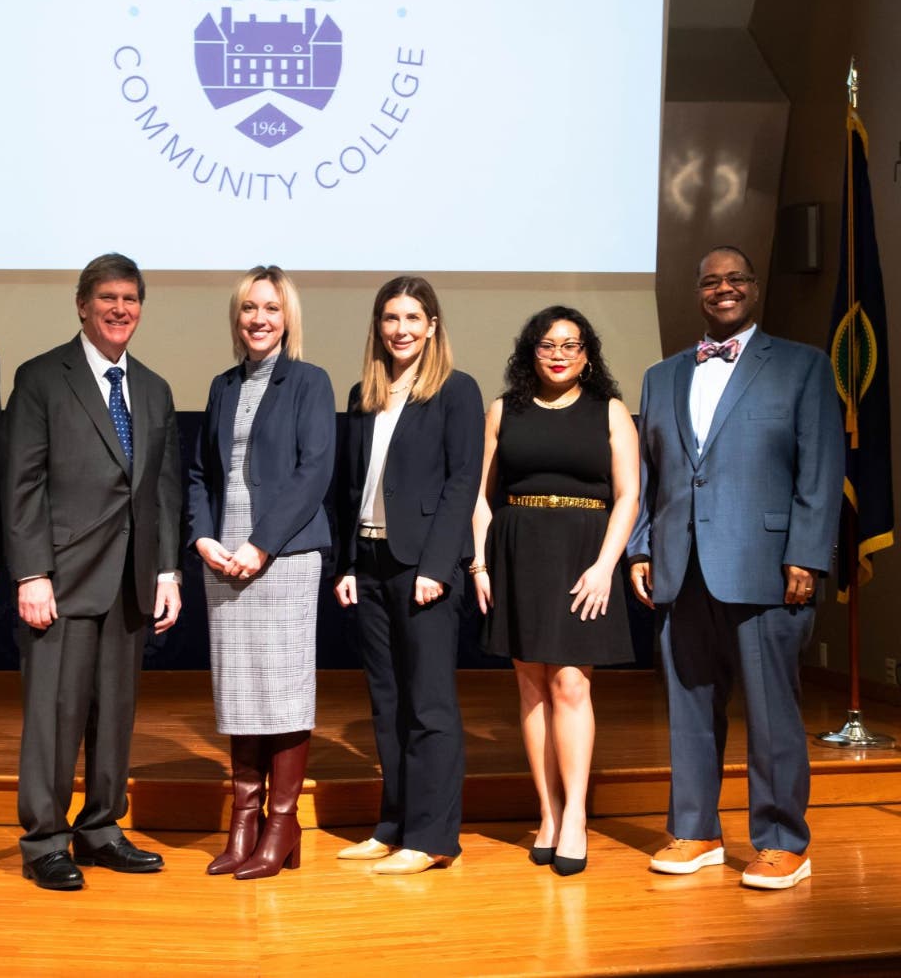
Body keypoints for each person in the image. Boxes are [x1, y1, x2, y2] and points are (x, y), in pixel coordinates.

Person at [629, 246, 843, 890]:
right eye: (711, 281)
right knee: (689, 704)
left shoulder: (803, 366)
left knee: (774, 711)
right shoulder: (661, 375)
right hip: (680, 564)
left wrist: (807, 551)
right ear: (698, 293)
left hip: (768, 566)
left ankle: (782, 841)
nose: (723, 289)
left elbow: (821, 467)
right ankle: (694, 830)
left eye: (736, 279)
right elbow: (652, 472)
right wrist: (642, 544)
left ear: (754, 287)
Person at [1, 253, 182, 891]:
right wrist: (30, 574)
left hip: (131, 583)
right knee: (55, 715)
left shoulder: (155, 389)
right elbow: (19, 486)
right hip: (62, 578)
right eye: (107, 298)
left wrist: (167, 571)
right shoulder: (42, 378)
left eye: (130, 299)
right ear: (82, 304)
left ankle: (101, 827)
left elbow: (162, 492)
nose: (119, 309)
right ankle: (45, 839)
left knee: (116, 715)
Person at [471, 306, 639, 876]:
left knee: (570, 683)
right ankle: (546, 812)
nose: (559, 354)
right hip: (516, 554)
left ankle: (576, 819)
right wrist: (479, 565)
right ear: (530, 353)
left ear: (588, 354)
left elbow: (629, 496)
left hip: (582, 559)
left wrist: (604, 566)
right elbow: (482, 496)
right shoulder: (504, 411)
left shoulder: (610, 411)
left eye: (571, 344)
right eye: (547, 345)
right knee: (531, 686)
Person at [187, 265, 336, 880]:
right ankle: (241, 822)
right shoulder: (223, 386)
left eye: (271, 308)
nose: (259, 319)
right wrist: (201, 537)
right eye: (250, 308)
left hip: (285, 555)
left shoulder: (309, 382)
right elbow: (200, 472)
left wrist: (262, 545)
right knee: (239, 691)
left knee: (282, 689)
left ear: (288, 318)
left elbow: (315, 471)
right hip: (223, 558)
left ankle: (280, 823)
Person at [334, 276, 483, 875]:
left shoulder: (456, 391)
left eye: (412, 318)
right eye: (391, 318)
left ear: (433, 327)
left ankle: (433, 837)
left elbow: (461, 484)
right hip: (368, 563)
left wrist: (438, 566)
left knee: (429, 705)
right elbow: (353, 489)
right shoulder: (362, 393)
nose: (400, 329)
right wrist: (348, 561)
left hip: (423, 568)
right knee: (386, 702)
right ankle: (393, 826)